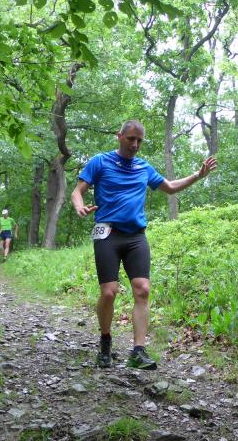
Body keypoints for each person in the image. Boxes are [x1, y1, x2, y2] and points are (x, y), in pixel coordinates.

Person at [71, 120, 217, 370]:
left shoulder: (144, 167)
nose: (135, 144)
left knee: (142, 289)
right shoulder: (100, 161)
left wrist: (198, 175)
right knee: (109, 292)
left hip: (136, 237)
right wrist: (79, 206)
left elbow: (170, 187)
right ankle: (105, 342)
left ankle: (138, 351)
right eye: (131, 139)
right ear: (119, 136)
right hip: (107, 234)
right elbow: (77, 191)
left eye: (139, 140)